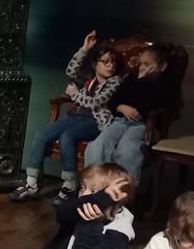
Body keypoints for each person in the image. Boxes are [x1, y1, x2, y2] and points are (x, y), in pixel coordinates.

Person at [10, 31, 124, 204]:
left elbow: (95, 102)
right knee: (42, 135)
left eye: (113, 62)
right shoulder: (90, 80)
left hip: (95, 121)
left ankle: (69, 185)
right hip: (77, 116)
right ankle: (31, 183)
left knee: (67, 136)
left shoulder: (115, 82)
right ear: (96, 64)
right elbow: (70, 71)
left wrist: (75, 94)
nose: (111, 66)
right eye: (106, 62)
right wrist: (84, 49)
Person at [83, 42, 187, 184]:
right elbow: (113, 101)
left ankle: (122, 191)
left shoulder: (164, 85)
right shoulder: (131, 78)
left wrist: (144, 80)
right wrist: (121, 107)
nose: (141, 67)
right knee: (99, 145)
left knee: (128, 150)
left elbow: (149, 105)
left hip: (141, 125)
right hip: (120, 122)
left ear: (162, 66)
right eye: (140, 63)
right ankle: (94, 185)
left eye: (146, 64)